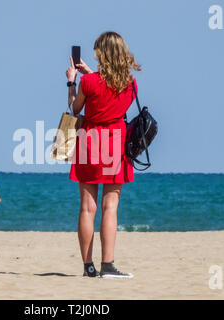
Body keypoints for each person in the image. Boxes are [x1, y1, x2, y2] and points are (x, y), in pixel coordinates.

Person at [66, 31, 141, 278]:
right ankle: (108, 265)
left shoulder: (89, 82)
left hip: (89, 142)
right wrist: (91, 74)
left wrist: (72, 82)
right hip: (117, 144)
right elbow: (109, 95)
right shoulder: (130, 83)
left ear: (102, 54)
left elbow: (74, 107)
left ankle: (89, 267)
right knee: (111, 207)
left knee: (87, 207)